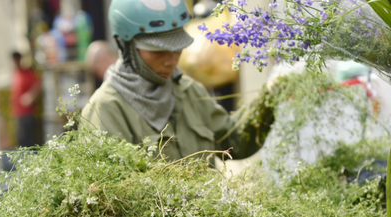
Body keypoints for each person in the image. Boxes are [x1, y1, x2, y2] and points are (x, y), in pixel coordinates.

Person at [82, 0, 259, 162]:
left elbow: (235, 142)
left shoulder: (189, 91)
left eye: (177, 48)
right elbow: (111, 188)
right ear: (127, 45)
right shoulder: (105, 109)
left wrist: (269, 101)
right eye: (158, 51)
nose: (171, 60)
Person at [11, 51, 41, 147]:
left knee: (27, 140)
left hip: (27, 112)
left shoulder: (27, 72)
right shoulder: (15, 73)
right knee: (22, 140)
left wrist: (30, 96)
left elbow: (38, 83)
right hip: (19, 112)